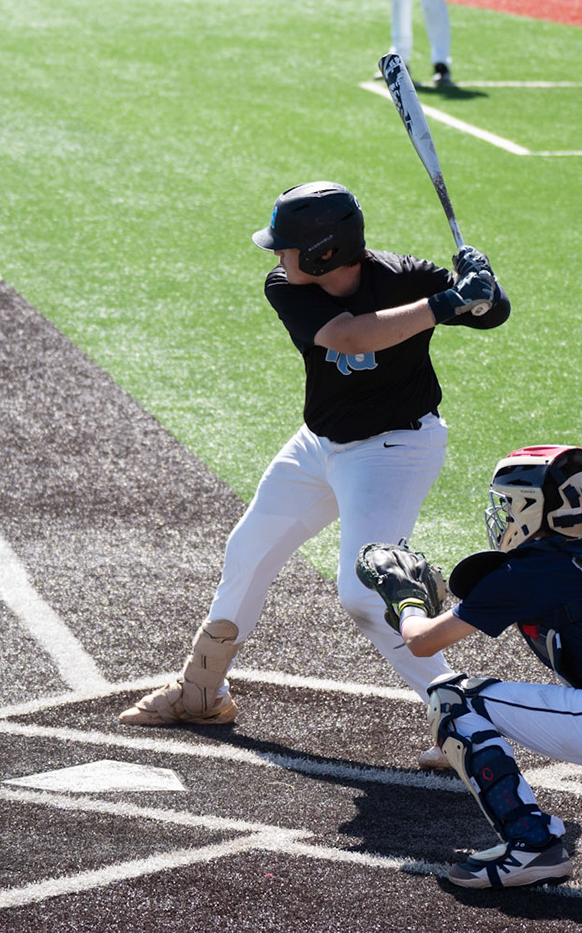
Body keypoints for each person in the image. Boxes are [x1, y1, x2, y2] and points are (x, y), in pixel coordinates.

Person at [119, 181, 508, 770]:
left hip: (394, 449)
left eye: (288, 246)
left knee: (367, 591)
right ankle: (201, 692)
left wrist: (482, 288)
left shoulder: (406, 277)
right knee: (249, 548)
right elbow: (350, 335)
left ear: (325, 252)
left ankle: (467, 726)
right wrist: (447, 302)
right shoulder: (286, 287)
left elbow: (492, 316)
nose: (278, 255)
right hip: (319, 445)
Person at [366, 445, 582, 889]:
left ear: (533, 507)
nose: (503, 514)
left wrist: (406, 601)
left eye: (509, 503)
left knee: (452, 699)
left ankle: (531, 843)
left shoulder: (527, 570)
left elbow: (422, 642)